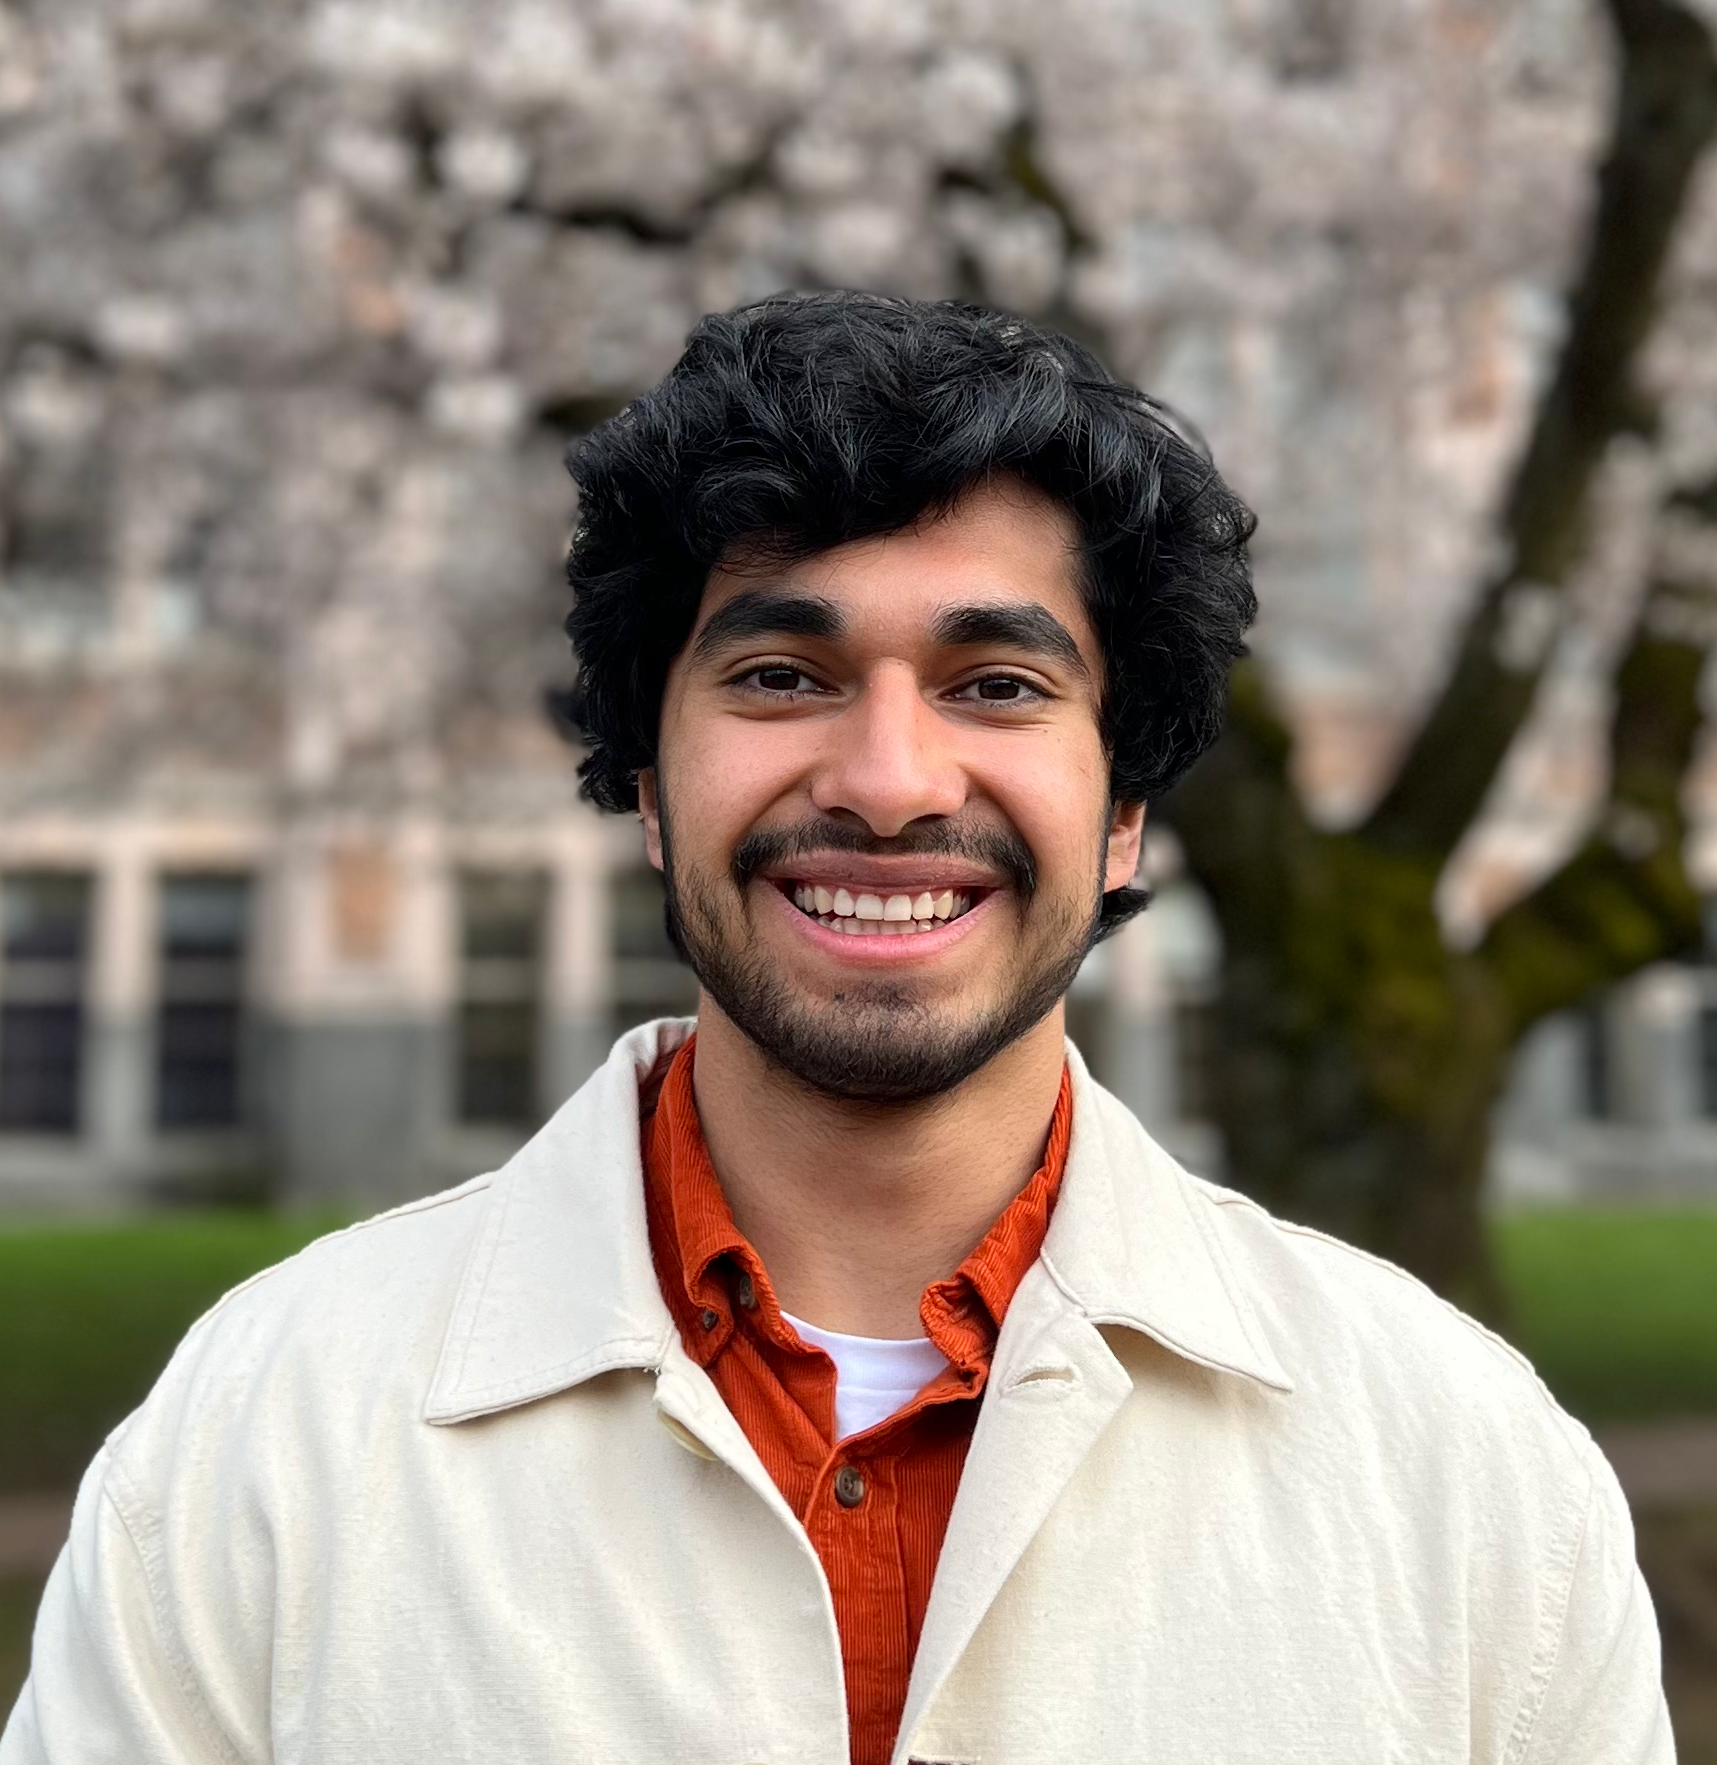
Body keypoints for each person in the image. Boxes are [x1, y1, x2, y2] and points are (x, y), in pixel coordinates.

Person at [2, 293, 1669, 1765]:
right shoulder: (261, 1438)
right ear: (649, 790)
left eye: (997, 685)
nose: (887, 782)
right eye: (783, 677)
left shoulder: (1467, 1474)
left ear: (1124, 815)